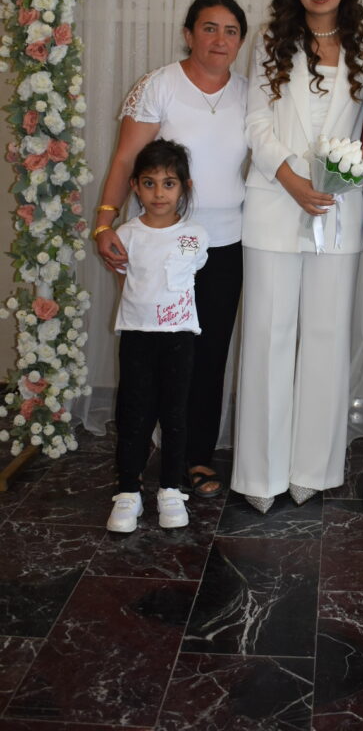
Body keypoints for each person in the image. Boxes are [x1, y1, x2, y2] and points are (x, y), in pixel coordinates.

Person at [231, 0, 363, 513]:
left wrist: (347, 174)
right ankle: (260, 473)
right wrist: (291, 178)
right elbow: (256, 124)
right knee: (268, 335)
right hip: (274, 202)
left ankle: (312, 468)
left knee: (326, 336)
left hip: (340, 209)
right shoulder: (271, 41)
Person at [95, 0, 248, 499]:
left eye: (230, 31)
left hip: (225, 246)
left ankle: (196, 457)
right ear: (188, 33)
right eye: (209, 28)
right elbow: (125, 161)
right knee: (151, 355)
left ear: (240, 41)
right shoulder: (158, 85)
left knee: (208, 354)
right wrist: (104, 222)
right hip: (160, 246)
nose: (220, 39)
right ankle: (137, 458)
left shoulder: (250, 93)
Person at [106, 139, 209, 532]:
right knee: (133, 414)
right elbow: (125, 280)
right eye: (149, 183)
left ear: (184, 187)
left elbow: (191, 274)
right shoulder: (126, 234)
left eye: (169, 183)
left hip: (179, 336)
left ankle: (170, 489)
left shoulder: (195, 235)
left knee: (175, 414)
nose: (159, 193)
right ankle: (128, 492)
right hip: (137, 336)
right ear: (135, 186)